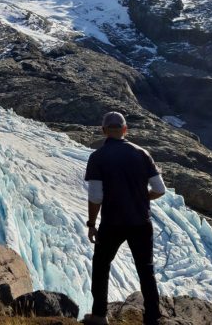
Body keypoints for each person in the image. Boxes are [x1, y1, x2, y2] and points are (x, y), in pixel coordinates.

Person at [83, 112, 166, 325]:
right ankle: (152, 318)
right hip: (141, 222)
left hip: (113, 223)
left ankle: (99, 315)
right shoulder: (142, 153)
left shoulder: (98, 157)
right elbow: (159, 189)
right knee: (146, 269)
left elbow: (95, 196)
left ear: (104, 131)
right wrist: (139, 197)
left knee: (101, 265)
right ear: (125, 130)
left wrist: (92, 224)